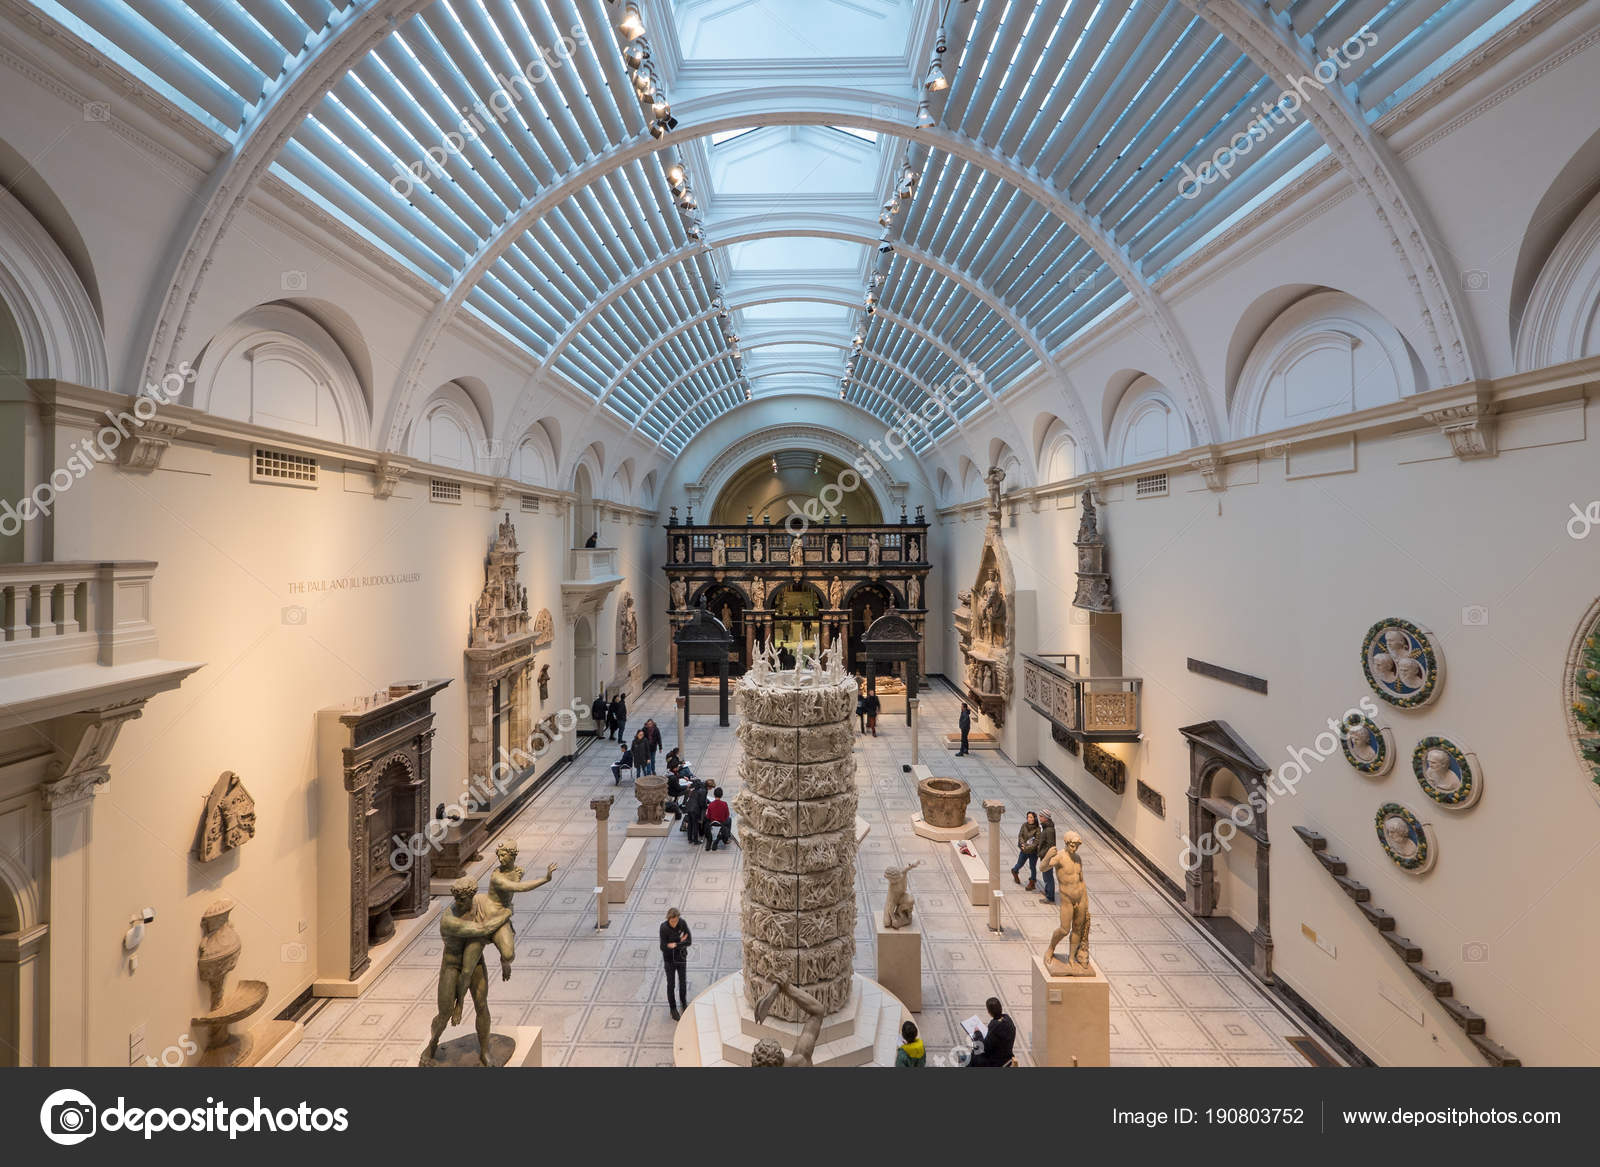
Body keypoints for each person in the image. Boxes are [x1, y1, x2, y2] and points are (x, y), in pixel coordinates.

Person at [659, 908, 691, 1021]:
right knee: (671, 984)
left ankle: (683, 1002)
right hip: (669, 961)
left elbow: (689, 941)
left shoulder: (682, 923)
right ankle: (673, 1009)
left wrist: (675, 944)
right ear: (668, 919)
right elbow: (663, 947)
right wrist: (680, 941)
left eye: (676, 921)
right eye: (672, 921)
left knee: (683, 982)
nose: (674, 923)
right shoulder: (663, 928)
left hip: (681, 958)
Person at [967, 997, 1016, 1067]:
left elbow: (983, 1047)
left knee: (975, 1051)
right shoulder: (1008, 1021)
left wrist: (977, 1033)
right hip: (1007, 1058)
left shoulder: (995, 1027)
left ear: (989, 1012)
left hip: (995, 1062)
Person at [1011, 810, 1041, 891]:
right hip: (1024, 850)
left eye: (1031, 817)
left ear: (1034, 818)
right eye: (1028, 817)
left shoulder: (1037, 829)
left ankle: (1032, 882)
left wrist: (1027, 847)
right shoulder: (1024, 825)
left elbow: (1036, 842)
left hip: (1033, 852)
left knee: (1032, 866)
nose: (1029, 819)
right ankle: (1014, 871)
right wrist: (1022, 844)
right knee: (1019, 864)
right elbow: (1020, 836)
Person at [1037, 812, 1058, 904]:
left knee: (1048, 876)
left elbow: (1050, 845)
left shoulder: (1049, 830)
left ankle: (1050, 897)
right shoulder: (1046, 827)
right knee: (1045, 875)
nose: (1039, 818)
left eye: (1041, 816)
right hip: (1045, 855)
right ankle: (1047, 891)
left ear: (1046, 818)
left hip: (1047, 856)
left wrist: (1042, 853)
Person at [704, 785, 730, 852]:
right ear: (721, 795)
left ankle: (709, 842)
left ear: (714, 794)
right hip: (721, 823)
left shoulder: (711, 804)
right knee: (729, 820)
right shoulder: (724, 804)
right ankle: (726, 839)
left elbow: (708, 816)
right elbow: (727, 815)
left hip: (712, 822)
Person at [684, 778, 708, 845]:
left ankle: (689, 839)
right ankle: (695, 840)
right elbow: (701, 803)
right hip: (695, 810)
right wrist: (705, 807)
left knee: (690, 823)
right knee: (695, 825)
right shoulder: (701, 792)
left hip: (689, 808)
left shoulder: (693, 791)